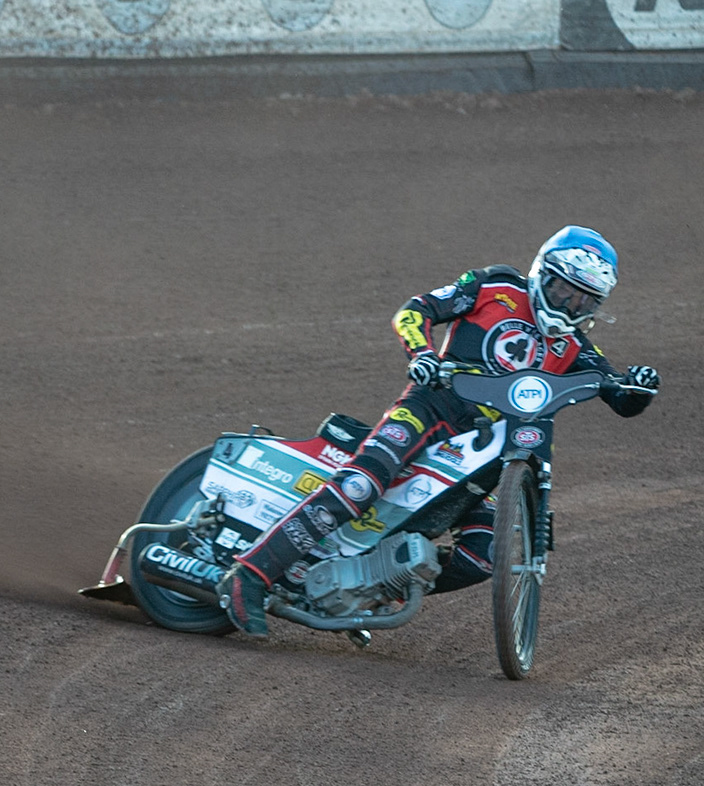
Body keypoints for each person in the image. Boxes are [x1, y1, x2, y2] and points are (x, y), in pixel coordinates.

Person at [215, 226, 660, 638]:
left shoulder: (577, 346)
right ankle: (249, 576)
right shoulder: (495, 286)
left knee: (483, 557)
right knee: (360, 484)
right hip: (430, 408)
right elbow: (415, 310)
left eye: (584, 301)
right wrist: (421, 353)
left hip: (489, 455)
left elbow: (621, 397)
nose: (570, 307)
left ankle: (364, 592)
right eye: (564, 291)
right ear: (543, 274)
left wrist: (640, 387)